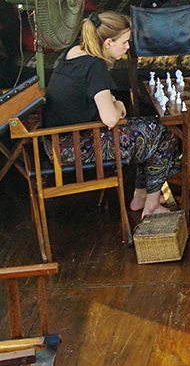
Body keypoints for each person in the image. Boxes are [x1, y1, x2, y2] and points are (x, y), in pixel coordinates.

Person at [43, 11, 179, 218]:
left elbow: (95, 100)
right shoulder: (95, 65)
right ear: (107, 43)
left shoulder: (73, 53)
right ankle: (150, 205)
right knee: (162, 133)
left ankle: (141, 196)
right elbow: (110, 118)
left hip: (55, 143)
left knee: (151, 128)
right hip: (74, 148)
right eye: (124, 42)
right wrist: (118, 105)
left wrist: (115, 103)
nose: (127, 48)